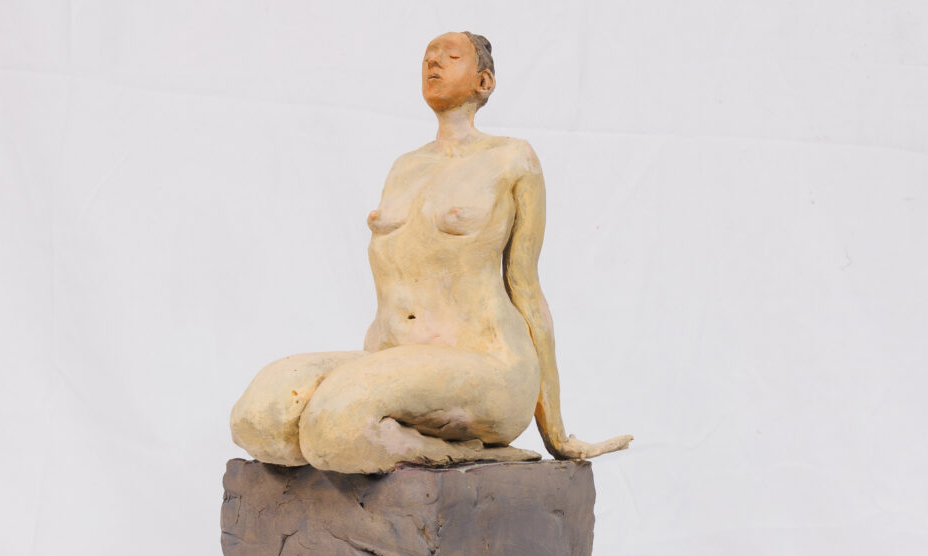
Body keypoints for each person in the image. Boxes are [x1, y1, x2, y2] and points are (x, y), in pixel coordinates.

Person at [230, 30, 631, 475]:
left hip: (490, 366)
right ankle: (382, 421)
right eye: (428, 56)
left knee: (334, 429)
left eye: (450, 56)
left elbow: (527, 288)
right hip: (397, 362)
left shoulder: (512, 159)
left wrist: (555, 432)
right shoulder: (405, 167)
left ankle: (470, 452)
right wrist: (368, 372)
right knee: (258, 418)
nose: (433, 63)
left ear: (483, 82)